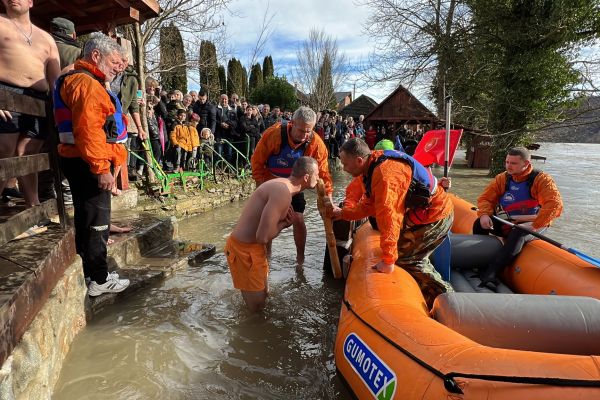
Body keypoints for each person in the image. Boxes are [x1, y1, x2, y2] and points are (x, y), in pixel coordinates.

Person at [329, 138, 454, 307]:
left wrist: (388, 260)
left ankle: (448, 300)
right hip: (422, 214)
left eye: (345, 164)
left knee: (405, 258)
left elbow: (390, 217)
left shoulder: (385, 174)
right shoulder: (371, 166)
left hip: (436, 215)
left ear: (359, 160)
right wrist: (343, 213)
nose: (343, 169)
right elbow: (368, 206)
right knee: (400, 252)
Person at [53, 32, 130, 296]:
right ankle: (98, 278)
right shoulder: (85, 84)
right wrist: (102, 168)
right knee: (97, 221)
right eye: (114, 62)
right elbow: (89, 130)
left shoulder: (83, 80)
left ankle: (91, 274)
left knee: (88, 219)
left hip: (78, 159)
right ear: (95, 56)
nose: (117, 68)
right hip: (87, 163)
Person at [225, 156, 319, 311]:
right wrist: (284, 224)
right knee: (256, 310)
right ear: (307, 177)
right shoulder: (283, 193)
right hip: (244, 251)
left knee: (265, 298)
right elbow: (262, 237)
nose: (319, 178)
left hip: (251, 250)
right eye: (317, 174)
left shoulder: (280, 185)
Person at [251, 106, 333, 264]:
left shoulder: (316, 143)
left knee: (298, 218)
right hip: (271, 183)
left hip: (294, 186)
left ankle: (300, 259)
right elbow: (257, 162)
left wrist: (327, 199)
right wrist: (260, 189)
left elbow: (323, 174)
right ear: (292, 123)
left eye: (308, 131)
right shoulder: (273, 134)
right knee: (268, 220)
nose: (304, 136)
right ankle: (266, 256)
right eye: (301, 131)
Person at [0, 0, 61, 208]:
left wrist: (59, 111)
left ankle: (33, 207)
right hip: (5, 92)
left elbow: (55, 81)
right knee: (4, 150)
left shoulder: (46, 38)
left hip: (39, 99)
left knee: (29, 153)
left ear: (30, 2)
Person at [475, 146, 563, 287]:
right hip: (508, 220)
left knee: (519, 232)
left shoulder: (542, 180)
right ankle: (479, 264)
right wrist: (484, 214)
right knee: (478, 223)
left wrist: (534, 224)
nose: (508, 166)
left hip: (534, 223)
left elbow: (554, 204)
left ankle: (492, 272)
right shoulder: (502, 178)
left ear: (526, 164)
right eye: (507, 162)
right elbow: (485, 198)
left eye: (513, 163)